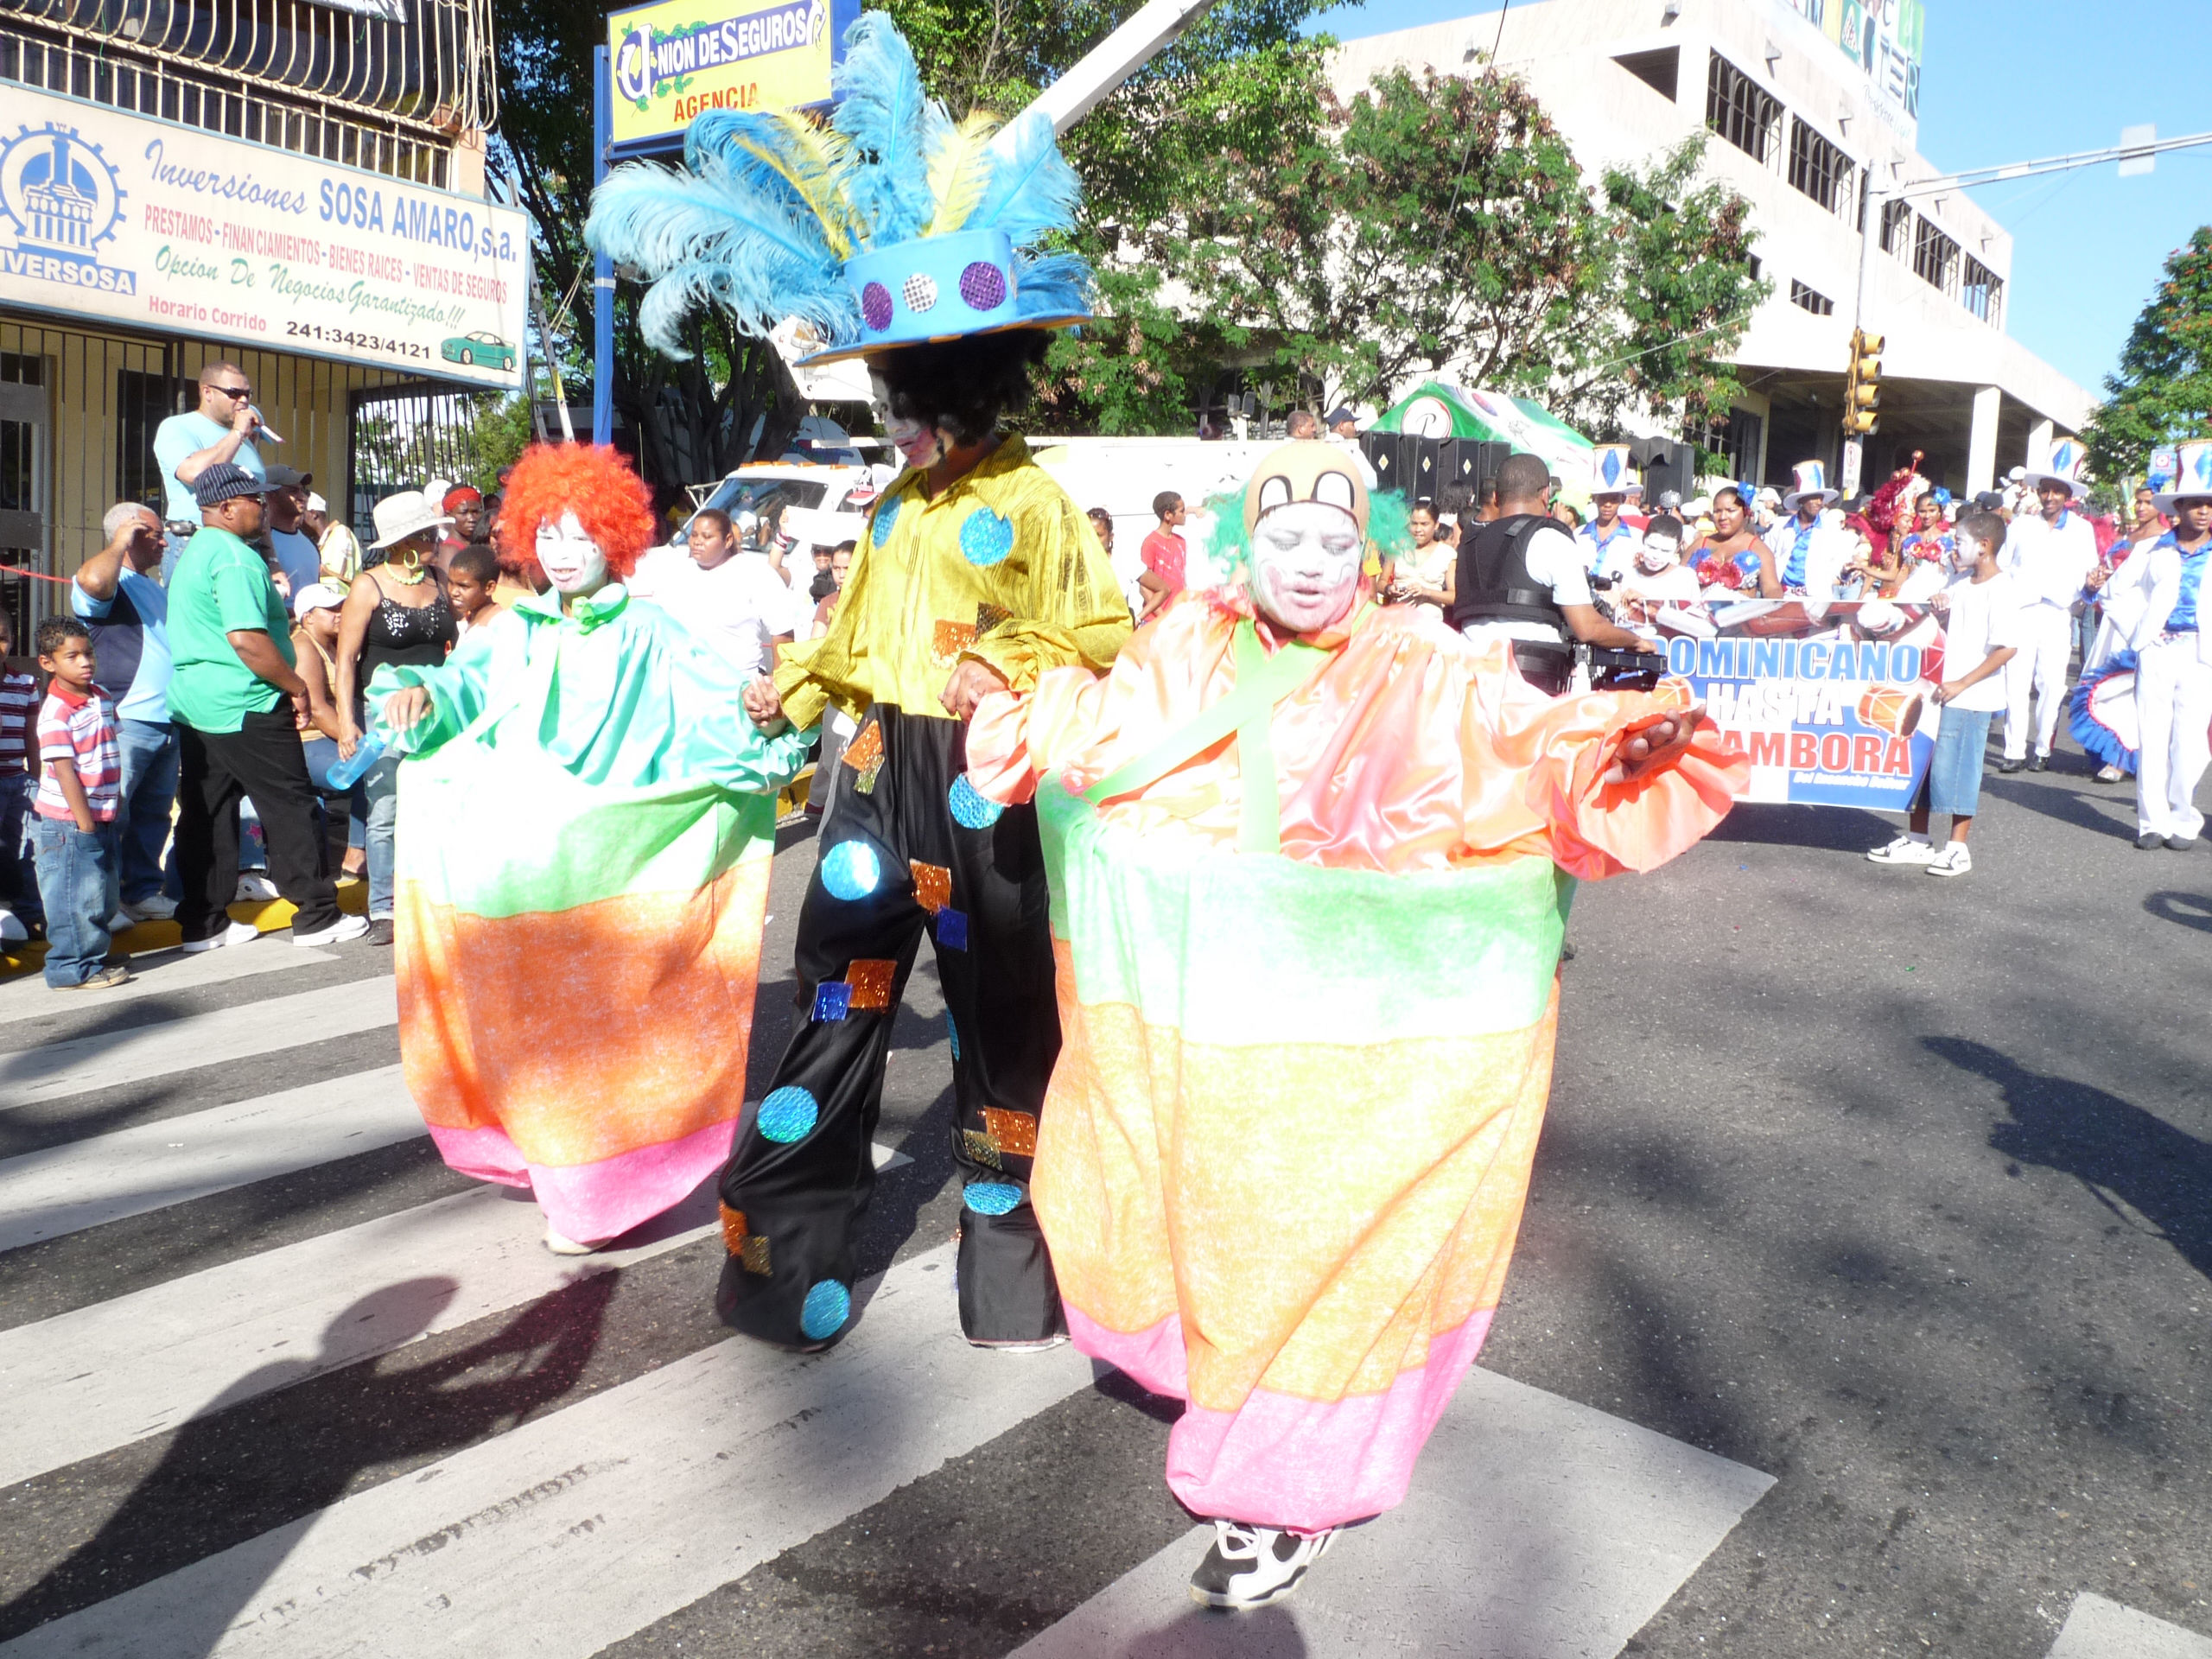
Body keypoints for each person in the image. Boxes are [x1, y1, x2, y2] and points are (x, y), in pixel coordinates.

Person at [962, 440, 1740, 1611]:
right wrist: (1012, 704)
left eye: (1336, 541)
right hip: (1195, 1012)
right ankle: (1234, 1375)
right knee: (1199, 1213)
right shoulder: (1185, 639)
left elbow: (1525, 738)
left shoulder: (1422, 658)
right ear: (1240, 547)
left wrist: (1609, 745)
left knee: (1332, 1243)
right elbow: (1100, 733)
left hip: (1361, 1023)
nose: (1313, 563)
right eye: (1285, 539)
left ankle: (1286, 1492)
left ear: (1369, 552)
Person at [594, 13, 1132, 1350]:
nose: (896, 412)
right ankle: (789, 1266)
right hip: (878, 774)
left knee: (1004, 1031)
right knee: (837, 1002)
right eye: (894, 388)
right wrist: (800, 681)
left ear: (969, 380)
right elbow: (860, 623)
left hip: (980, 786)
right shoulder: (893, 510)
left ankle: (1009, 1278)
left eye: (911, 388)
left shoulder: (1034, 501)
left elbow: (1097, 630)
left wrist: (1004, 668)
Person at [367, 442, 812, 1255]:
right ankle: (556, 1167)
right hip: (525, 874)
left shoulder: (651, 629)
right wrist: (421, 691)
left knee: (608, 1032)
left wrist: (761, 714)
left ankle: (597, 1196)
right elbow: (464, 689)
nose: (562, 554)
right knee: (537, 1035)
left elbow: (719, 708)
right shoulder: (517, 628)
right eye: (548, 535)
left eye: (580, 537)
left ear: (615, 540)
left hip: (621, 863)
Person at [166, 463, 364, 952]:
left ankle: (203, 921)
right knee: (290, 803)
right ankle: (316, 914)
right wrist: (295, 685)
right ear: (227, 508)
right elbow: (248, 640)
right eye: (255, 500)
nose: (263, 506)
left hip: (198, 703)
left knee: (207, 811)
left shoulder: (196, 552)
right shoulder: (233, 558)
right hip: (246, 700)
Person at [1866, 511, 2020, 878]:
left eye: (1960, 542)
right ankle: (1918, 839)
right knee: (1927, 766)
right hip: (1940, 691)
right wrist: (1941, 606)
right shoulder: (1961, 584)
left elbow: (2006, 648)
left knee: (1961, 771)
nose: (1954, 548)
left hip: (1970, 696)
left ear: (1984, 547)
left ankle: (1958, 847)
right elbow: (1948, 626)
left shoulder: (2002, 589)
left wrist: (1963, 683)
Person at [335, 490, 458, 947]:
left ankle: (431, 897)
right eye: (427, 532)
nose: (435, 538)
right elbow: (346, 660)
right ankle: (384, 907)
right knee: (385, 808)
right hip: (383, 714)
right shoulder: (369, 585)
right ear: (403, 538)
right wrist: (348, 722)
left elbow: (457, 651)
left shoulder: (441, 580)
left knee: (436, 805)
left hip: (436, 712)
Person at [1452, 450, 1662, 695]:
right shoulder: (1550, 539)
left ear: (1497, 497)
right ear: (1545, 495)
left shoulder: (1468, 543)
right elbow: (1587, 627)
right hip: (1529, 688)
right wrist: (1636, 641)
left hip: (1466, 684)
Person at [73, 502, 180, 922]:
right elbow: (94, 581)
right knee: (110, 812)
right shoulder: (108, 579)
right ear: (129, 535)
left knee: (153, 815)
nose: (163, 541)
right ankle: (102, 901)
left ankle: (141, 891)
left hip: (167, 717)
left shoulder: (151, 586)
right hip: (127, 717)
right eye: (151, 533)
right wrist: (120, 542)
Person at [29, 617, 130, 990]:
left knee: (102, 895)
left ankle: (93, 954)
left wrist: (113, 805)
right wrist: (85, 823)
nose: (85, 662)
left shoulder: (101, 696)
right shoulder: (56, 712)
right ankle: (71, 968)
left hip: (103, 813)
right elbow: (65, 770)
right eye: (72, 656)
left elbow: (108, 750)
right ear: (48, 663)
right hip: (71, 822)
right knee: (75, 898)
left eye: (88, 653)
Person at [2126, 450, 2212, 849]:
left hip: (2201, 652)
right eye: (2196, 503)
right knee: (2153, 734)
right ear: (2179, 507)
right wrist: (2141, 636)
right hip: (2159, 650)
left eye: (2210, 505)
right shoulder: (2152, 550)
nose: (2204, 512)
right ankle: (2151, 821)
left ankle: (2183, 817)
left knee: (2191, 741)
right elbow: (2117, 594)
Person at [1996, 455, 2098, 772]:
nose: (2050, 497)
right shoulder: (2023, 524)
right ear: (2038, 493)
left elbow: (2089, 573)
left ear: (2068, 496)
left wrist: (2089, 588)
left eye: (2057, 491)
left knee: (2052, 684)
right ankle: (2013, 750)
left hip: (2057, 614)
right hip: (2022, 611)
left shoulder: (2082, 529)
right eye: (2045, 490)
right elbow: (2002, 564)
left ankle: (2042, 748)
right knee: (2016, 681)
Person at [628, 506, 798, 677]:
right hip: (686, 682)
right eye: (693, 535)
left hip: (742, 685)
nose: (697, 541)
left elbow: (783, 633)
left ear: (728, 540)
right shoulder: (676, 572)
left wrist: (778, 687)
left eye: (707, 536)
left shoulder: (755, 573)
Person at [154, 361, 267, 581]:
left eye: (247, 394)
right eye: (234, 393)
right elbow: (194, 475)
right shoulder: (177, 427)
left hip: (247, 546)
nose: (243, 401)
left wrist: (272, 560)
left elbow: (261, 500)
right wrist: (236, 433)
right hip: (195, 541)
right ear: (207, 392)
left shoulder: (245, 439)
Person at [289, 583, 368, 881]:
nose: (339, 614)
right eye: (331, 609)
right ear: (308, 617)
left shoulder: (335, 645)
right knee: (369, 772)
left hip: (326, 739)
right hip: (308, 742)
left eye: (341, 607)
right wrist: (357, 741)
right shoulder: (303, 646)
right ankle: (356, 853)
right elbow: (319, 710)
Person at [0, 613, 41, 943]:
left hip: (19, 780)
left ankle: (30, 913)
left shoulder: (25, 683)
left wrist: (38, 779)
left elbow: (33, 736)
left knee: (28, 848)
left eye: (3, 637)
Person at [1770, 461, 1855, 598]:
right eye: (1813, 498)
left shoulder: (1831, 530)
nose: (1819, 502)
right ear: (1801, 501)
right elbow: (1769, 559)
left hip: (1817, 600)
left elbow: (1839, 567)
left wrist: (1845, 572)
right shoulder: (1780, 527)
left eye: (1821, 498)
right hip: (1783, 597)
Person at [1687, 486, 1779, 595]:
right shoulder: (1699, 545)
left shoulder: (1759, 549)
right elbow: (1677, 581)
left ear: (1745, 512)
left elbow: (1772, 589)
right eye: (1717, 511)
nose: (1722, 517)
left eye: (1731, 510)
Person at [263, 467, 321, 598]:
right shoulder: (263, 544)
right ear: (271, 495)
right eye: (293, 491)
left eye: (304, 491)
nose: (302, 497)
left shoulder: (309, 543)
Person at [1386, 497, 1454, 607]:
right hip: (1399, 618)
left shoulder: (1447, 554)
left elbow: (1454, 596)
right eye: (1414, 524)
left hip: (1430, 620)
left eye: (1424, 524)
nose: (1418, 529)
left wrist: (1427, 592)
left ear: (1436, 525)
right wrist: (1389, 589)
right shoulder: (1397, 547)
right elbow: (1382, 582)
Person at [1576, 463, 1637, 576]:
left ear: (1622, 499)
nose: (1608, 504)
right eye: (1603, 498)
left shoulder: (1636, 538)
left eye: (1613, 499)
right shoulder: (1578, 535)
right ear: (1595, 499)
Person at [1140, 491, 1188, 622]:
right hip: (1155, 620)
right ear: (1168, 515)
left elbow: (1182, 580)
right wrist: (1162, 616)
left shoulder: (1181, 542)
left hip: (1177, 618)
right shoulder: (1151, 542)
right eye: (1182, 511)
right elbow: (1144, 588)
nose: (1185, 514)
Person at [302, 492, 362, 587]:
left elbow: (341, 580)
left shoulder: (340, 534)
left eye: (301, 514)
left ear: (313, 514)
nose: (297, 520)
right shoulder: (317, 543)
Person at [447, 545, 503, 639]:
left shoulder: (500, 625)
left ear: (489, 588)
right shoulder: (464, 623)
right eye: (450, 583)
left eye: (463, 586)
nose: (453, 592)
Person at [439, 486, 488, 569]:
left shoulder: (478, 544)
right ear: (448, 515)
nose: (471, 518)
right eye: (463, 513)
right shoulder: (449, 551)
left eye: (475, 512)